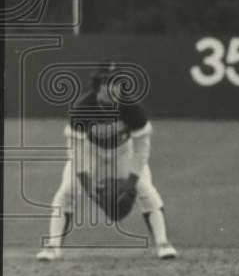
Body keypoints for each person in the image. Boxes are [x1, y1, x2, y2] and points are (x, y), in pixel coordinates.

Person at [36, 61, 177, 260]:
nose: (114, 88)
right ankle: (52, 246)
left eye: (118, 83)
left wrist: (131, 182)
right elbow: (75, 152)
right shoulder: (82, 108)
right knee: (68, 190)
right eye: (108, 83)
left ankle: (163, 243)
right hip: (89, 152)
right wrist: (89, 188)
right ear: (97, 86)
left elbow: (141, 149)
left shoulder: (132, 108)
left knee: (146, 189)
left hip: (123, 152)